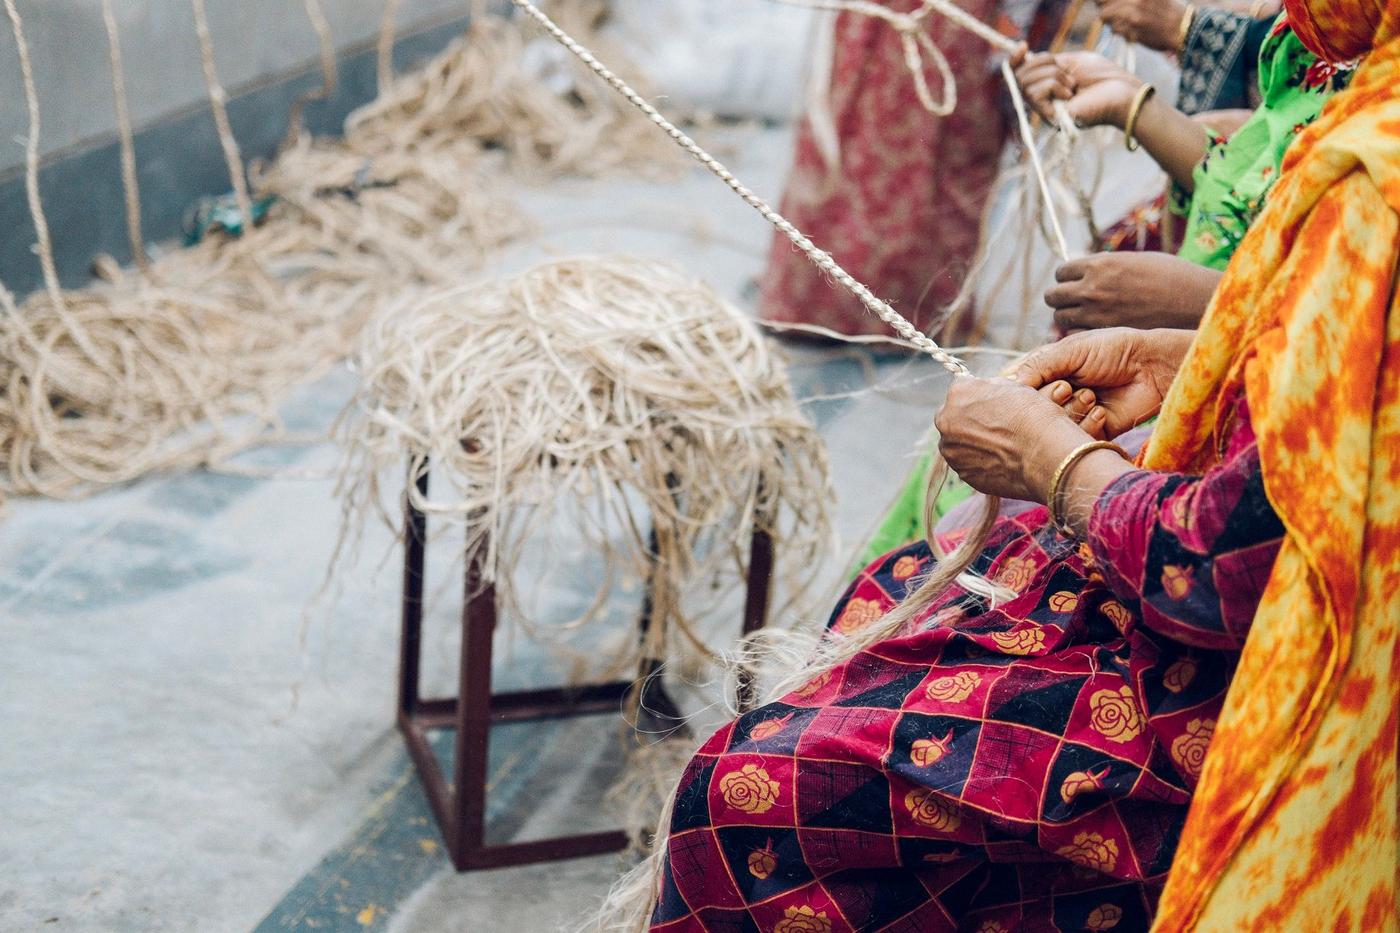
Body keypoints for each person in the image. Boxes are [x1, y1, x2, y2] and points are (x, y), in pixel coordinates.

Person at [634, 0, 1399, 924]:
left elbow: (1223, 568)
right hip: (1254, 597)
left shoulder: (1371, 187)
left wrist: (1053, 463)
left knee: (741, 792)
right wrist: (1192, 357)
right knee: (903, 584)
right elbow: (1335, 385)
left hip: (1302, 701)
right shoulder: (1365, 114)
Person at [853, 10, 1354, 570]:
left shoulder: (1373, 146)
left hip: (1243, 523)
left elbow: (1205, 563)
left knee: (946, 571)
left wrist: (1209, 306)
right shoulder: (1313, 46)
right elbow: (1262, 155)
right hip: (1232, 364)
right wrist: (1132, 105)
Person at [756, 0, 1068, 342]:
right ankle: (821, 308)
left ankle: (909, 317)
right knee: (853, 127)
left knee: (947, 142)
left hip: (962, 27)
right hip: (895, 20)